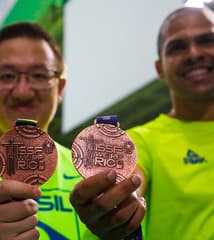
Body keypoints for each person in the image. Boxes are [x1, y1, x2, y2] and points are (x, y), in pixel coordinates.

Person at [0, 22, 145, 240]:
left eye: (39, 76)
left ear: (60, 88)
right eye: (7, 76)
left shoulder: (87, 171)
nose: (22, 92)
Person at [71, 6, 214, 240]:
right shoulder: (140, 140)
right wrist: (116, 201)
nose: (194, 54)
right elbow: (130, 178)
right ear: (160, 69)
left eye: (207, 40)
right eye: (177, 47)